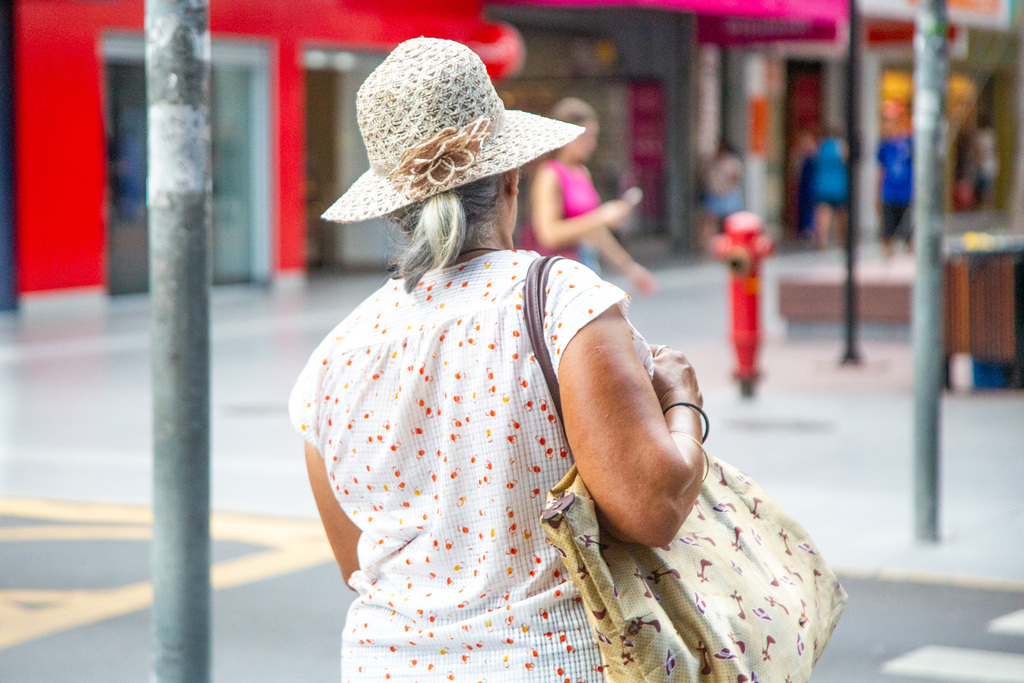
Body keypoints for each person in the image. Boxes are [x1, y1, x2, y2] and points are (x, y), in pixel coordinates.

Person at [289, 38, 706, 681]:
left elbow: (356, 561)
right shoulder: (562, 303)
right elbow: (655, 507)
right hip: (545, 663)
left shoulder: (332, 360)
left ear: (397, 212)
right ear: (511, 180)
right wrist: (681, 400)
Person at [526, 97, 658, 295]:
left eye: (593, 137)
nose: (591, 144)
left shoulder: (581, 172)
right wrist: (601, 216)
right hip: (558, 277)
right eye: (586, 137)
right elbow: (549, 234)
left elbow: (595, 231)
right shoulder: (549, 175)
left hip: (586, 266)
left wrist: (630, 268)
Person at [876, 101, 914, 259]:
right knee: (887, 232)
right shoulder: (884, 145)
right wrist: (877, 192)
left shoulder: (910, 142)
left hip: (907, 193)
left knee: (909, 235)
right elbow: (881, 170)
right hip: (889, 192)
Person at [700, 142, 744, 249]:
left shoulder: (731, 162)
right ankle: (711, 245)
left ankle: (731, 244)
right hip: (714, 195)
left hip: (728, 195)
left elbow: (736, 177)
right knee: (711, 221)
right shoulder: (713, 161)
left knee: (730, 221)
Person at [812, 126, 849, 249]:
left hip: (823, 184)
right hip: (839, 184)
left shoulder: (821, 146)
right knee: (841, 213)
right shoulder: (841, 146)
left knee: (823, 212)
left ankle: (822, 240)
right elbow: (846, 160)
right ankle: (842, 239)